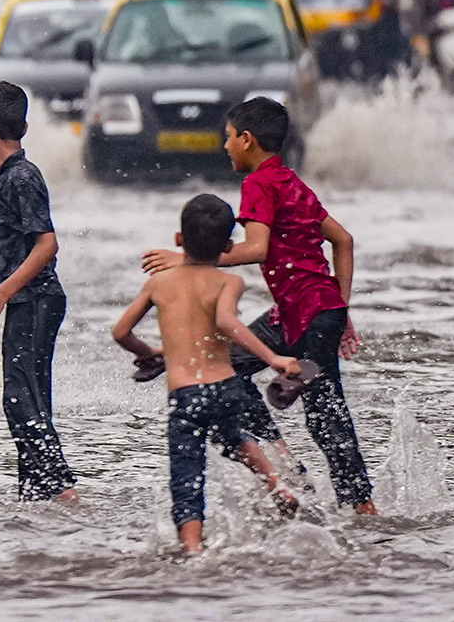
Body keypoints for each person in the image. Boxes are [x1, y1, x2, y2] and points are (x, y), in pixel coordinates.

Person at [142, 97, 376, 515]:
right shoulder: (290, 182)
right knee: (229, 366)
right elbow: (343, 240)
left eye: (228, 138)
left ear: (247, 140)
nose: (225, 146)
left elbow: (257, 248)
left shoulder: (259, 183)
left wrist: (189, 258)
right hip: (305, 311)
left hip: (308, 312)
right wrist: (339, 311)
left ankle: (361, 506)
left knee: (325, 413)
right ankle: (285, 461)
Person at [114, 194, 302, 554]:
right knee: (235, 434)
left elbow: (121, 332)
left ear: (178, 240)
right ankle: (275, 484)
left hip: (186, 395)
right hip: (225, 385)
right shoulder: (228, 283)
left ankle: (193, 550)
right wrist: (273, 358)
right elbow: (227, 322)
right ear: (228, 246)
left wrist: (150, 353)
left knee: (187, 474)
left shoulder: (159, 283)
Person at [0, 81, 77, 503]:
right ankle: (35, 496)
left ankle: (63, 492)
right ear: (23, 125)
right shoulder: (8, 176)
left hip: (37, 300)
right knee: (31, 399)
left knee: (19, 397)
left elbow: (47, 244)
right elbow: (18, 244)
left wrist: (1, 293)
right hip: (27, 297)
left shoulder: (22, 177)